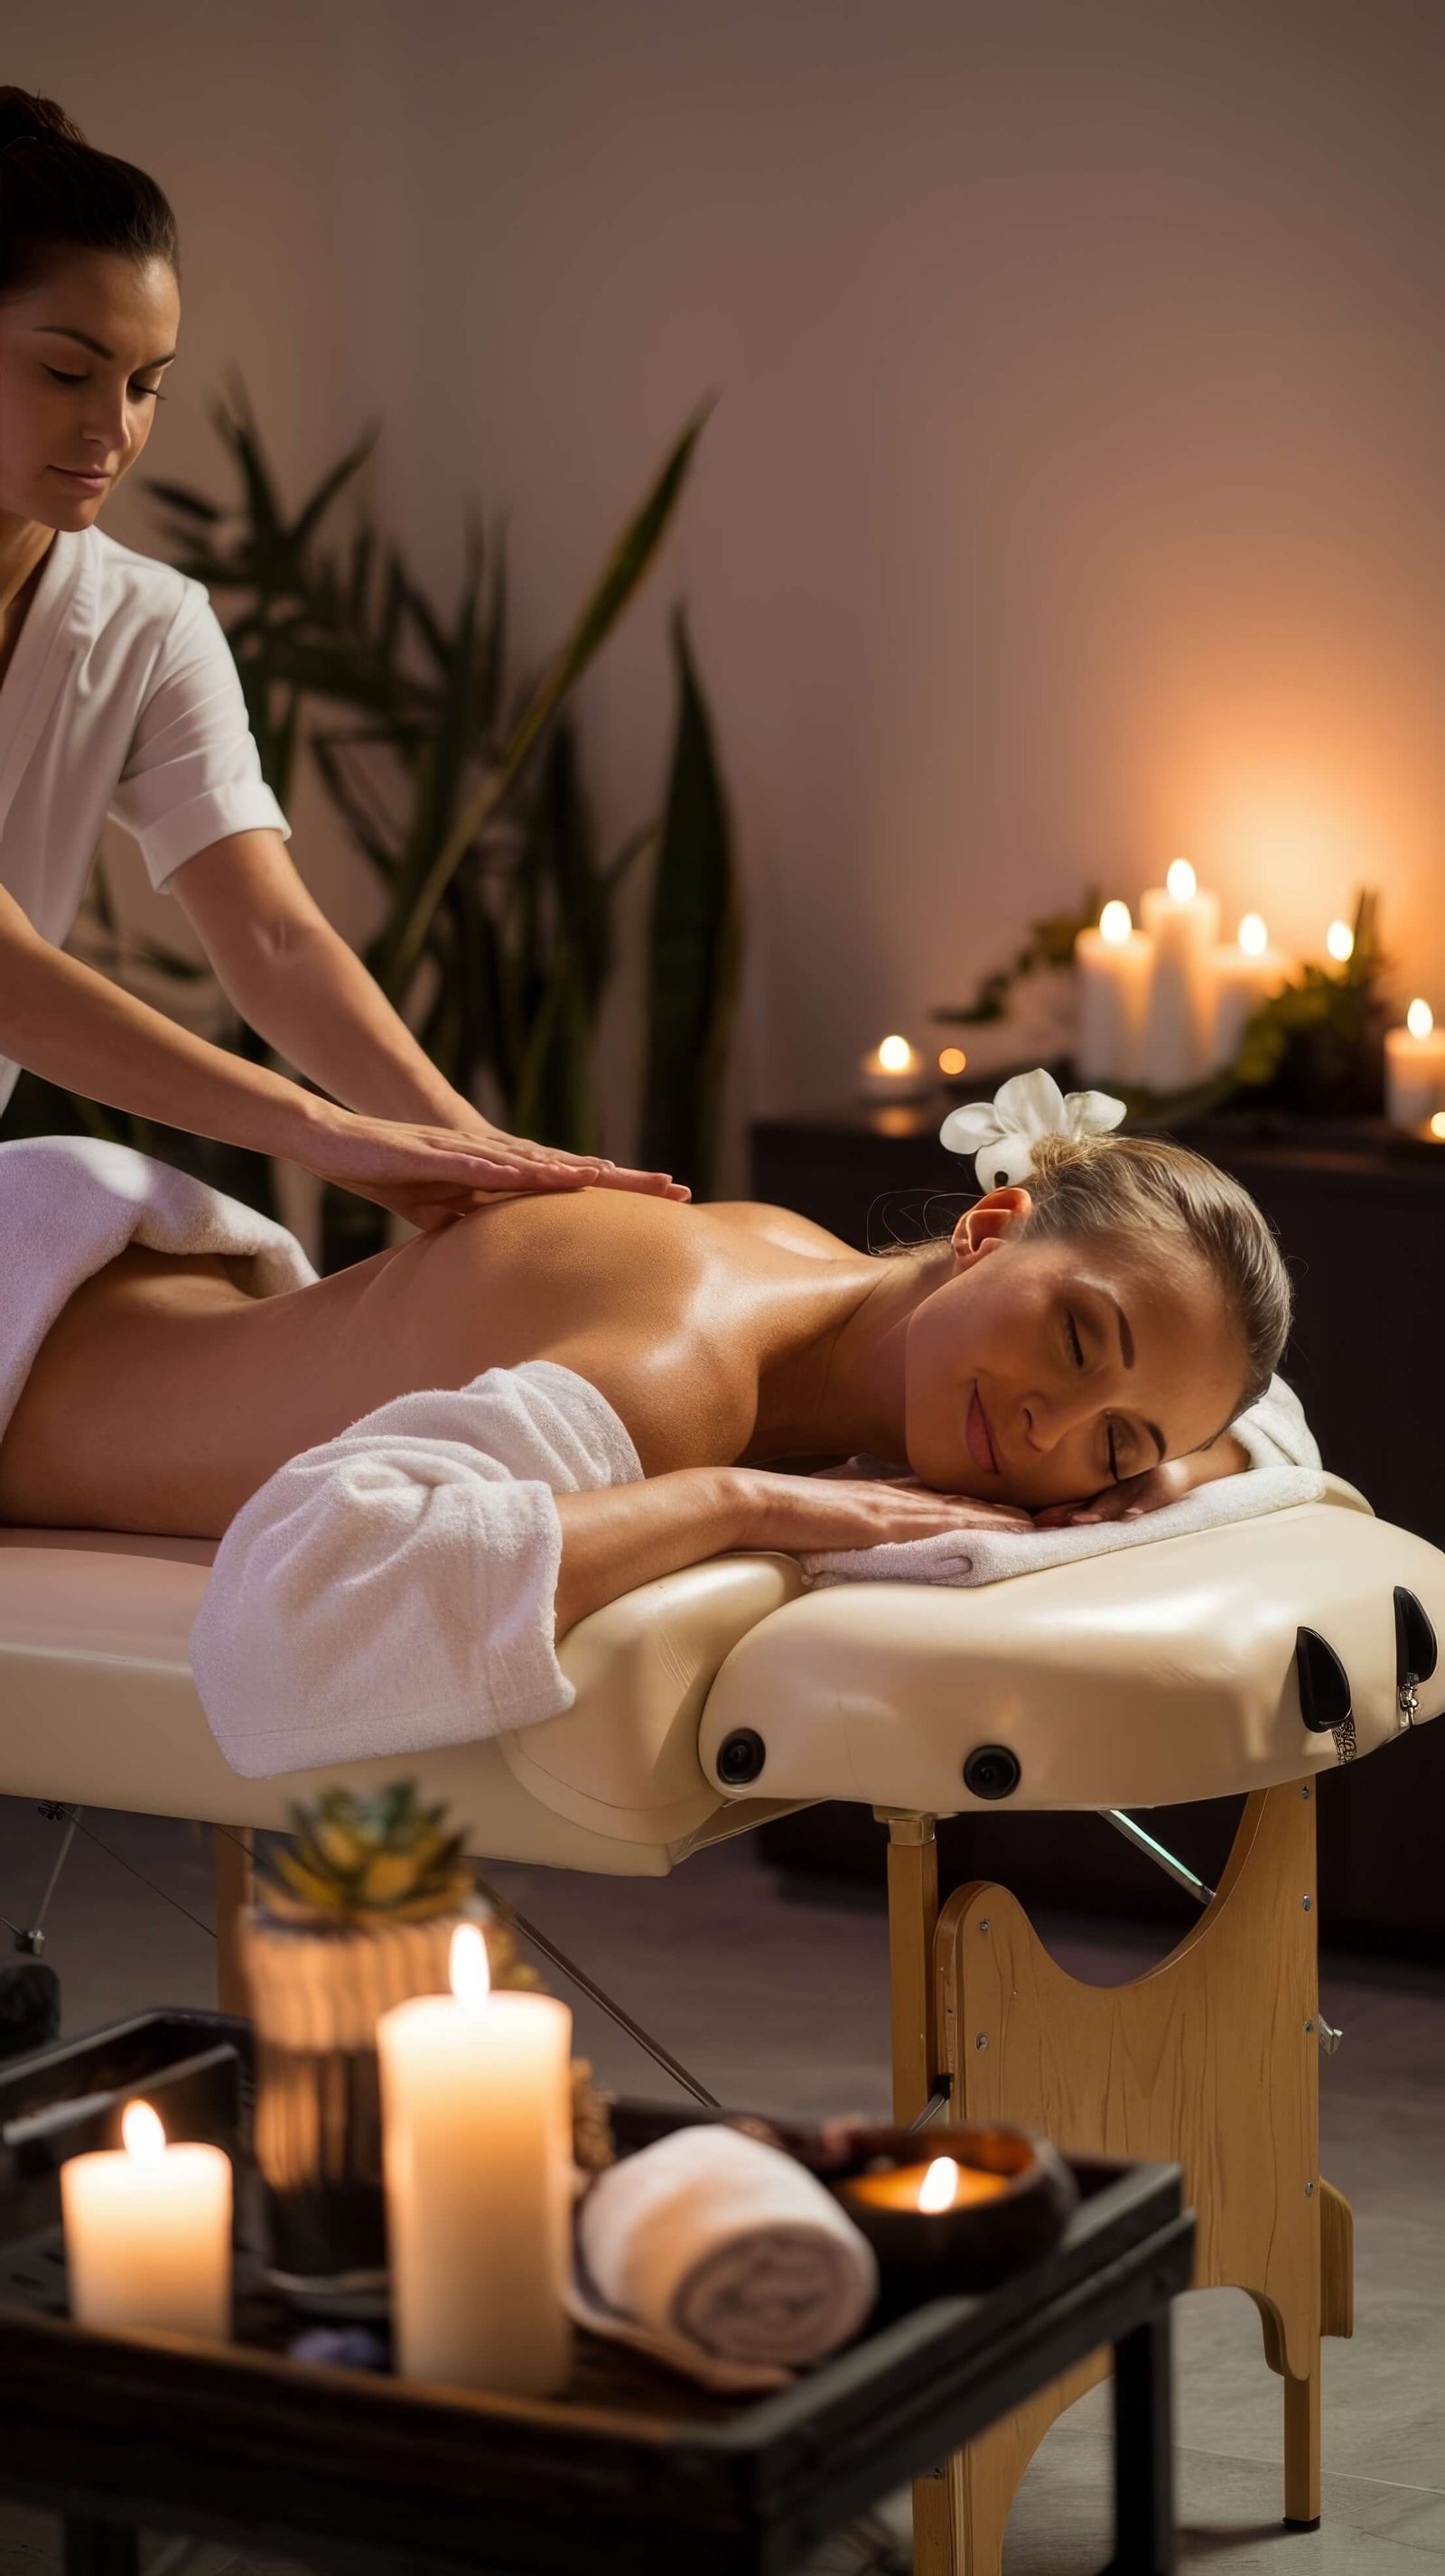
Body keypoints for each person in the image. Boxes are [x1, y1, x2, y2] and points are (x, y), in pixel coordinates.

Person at [0, 87, 678, 1227]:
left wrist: (479, 1161)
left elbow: (273, 937)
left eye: (147, 384)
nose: (115, 429)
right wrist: (318, 1130)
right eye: (69, 373)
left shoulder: (144, 623)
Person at [0, 1120, 1293, 1643]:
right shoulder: (684, 1372)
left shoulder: (820, 1271)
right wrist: (740, 1503)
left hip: (114, 1279)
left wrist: (1171, 1460)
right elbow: (321, 1566)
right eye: (1076, 1340)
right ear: (991, 1227)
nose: (1054, 1426)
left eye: (1116, 1444)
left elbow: (1270, 1423)